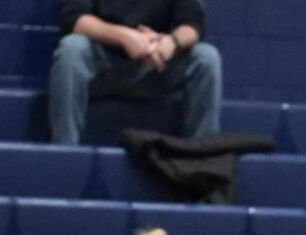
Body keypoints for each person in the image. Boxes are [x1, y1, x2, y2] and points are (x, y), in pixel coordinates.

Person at [48, 0, 221, 146]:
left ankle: (202, 157)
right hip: (101, 68)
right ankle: (65, 147)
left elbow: (193, 24)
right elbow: (74, 19)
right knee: (72, 48)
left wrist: (171, 42)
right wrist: (125, 37)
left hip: (154, 66)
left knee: (206, 57)